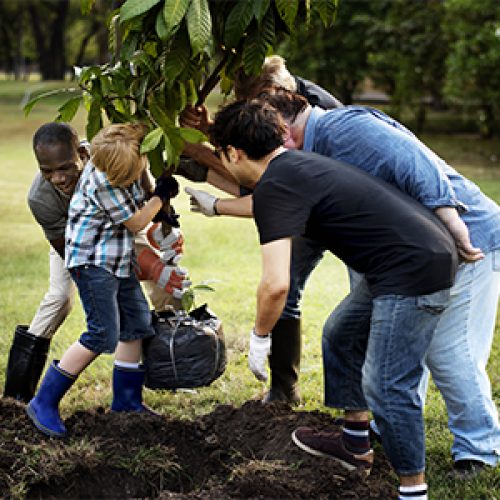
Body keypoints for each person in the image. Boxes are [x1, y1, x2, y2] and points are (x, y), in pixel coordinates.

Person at [188, 91, 500, 476]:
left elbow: (419, 164)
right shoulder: (299, 159)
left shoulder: (346, 129)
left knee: (443, 355)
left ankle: (477, 452)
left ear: (286, 130)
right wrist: (215, 201)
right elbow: (269, 197)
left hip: (466, 239)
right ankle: (362, 438)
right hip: (401, 255)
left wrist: (455, 225)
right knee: (343, 333)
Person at [181, 55, 343, 404]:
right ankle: (284, 390)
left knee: (289, 289)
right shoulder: (278, 100)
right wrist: (211, 133)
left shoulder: (316, 114)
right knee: (288, 292)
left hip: (339, 211)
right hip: (307, 200)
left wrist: (201, 154)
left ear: (274, 93)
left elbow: (270, 184)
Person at [3, 123, 186, 404]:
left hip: (119, 232)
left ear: (82, 153)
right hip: (79, 246)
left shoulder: (113, 155)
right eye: (47, 171)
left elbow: (143, 198)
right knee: (61, 299)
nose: (58, 178)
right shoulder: (42, 198)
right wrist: (142, 265)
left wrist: (161, 228)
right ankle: (19, 394)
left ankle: (172, 367)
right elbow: (70, 251)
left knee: (157, 294)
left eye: (65, 167)